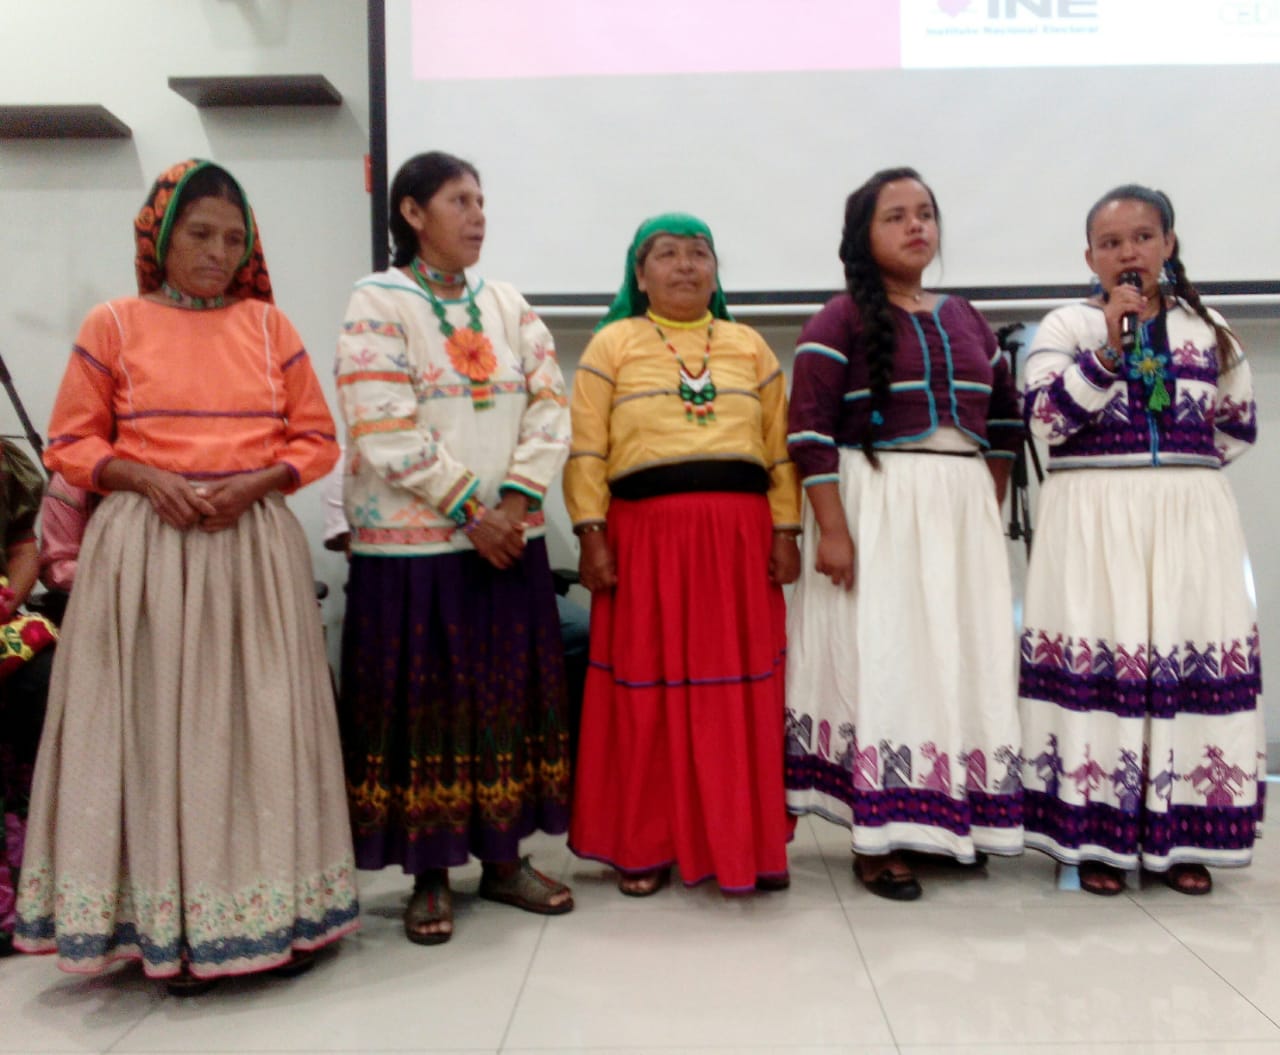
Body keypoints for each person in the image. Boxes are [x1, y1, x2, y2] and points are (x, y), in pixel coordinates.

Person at [14, 159, 357, 992]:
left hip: (250, 548)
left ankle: (271, 914)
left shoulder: (269, 328)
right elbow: (70, 442)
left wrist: (256, 483)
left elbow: (316, 439)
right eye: (200, 234)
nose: (218, 253)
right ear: (160, 237)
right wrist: (142, 476)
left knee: (258, 728)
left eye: (235, 239)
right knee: (157, 730)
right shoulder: (113, 324)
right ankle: (164, 927)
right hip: (147, 550)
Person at [336, 151, 573, 946]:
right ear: (412, 212)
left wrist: (515, 504)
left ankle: (504, 860)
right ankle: (429, 875)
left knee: (506, 702)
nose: (477, 215)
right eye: (459, 200)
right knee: (425, 711)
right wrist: (473, 509)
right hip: (413, 556)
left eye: (481, 200)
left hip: (507, 542)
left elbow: (551, 405)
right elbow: (381, 424)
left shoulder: (507, 304)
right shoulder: (377, 300)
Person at [783, 168, 1025, 901]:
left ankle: (942, 821)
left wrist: (984, 503)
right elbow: (808, 434)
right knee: (886, 660)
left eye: (925, 213)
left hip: (959, 510)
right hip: (878, 505)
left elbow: (1004, 420)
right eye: (896, 216)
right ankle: (878, 835)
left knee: (955, 656)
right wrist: (832, 531)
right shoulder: (837, 319)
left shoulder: (968, 317)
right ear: (863, 237)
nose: (917, 226)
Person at [1020, 185, 1262, 897]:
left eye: (1143, 237)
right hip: (1092, 520)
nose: (1129, 252)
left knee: (1187, 658)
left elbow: (1236, 425)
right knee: (1105, 658)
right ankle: (1096, 839)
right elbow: (1045, 419)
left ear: (1168, 245)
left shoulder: (1209, 329)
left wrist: (1178, 486)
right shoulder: (1066, 326)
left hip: (1189, 519)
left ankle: (1183, 836)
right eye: (1111, 242)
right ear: (1090, 258)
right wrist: (1108, 352)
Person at [565, 213, 801, 896]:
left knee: (741, 694)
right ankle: (644, 844)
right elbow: (587, 450)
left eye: (699, 253)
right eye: (666, 254)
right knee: (648, 691)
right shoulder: (611, 344)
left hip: (738, 541)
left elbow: (779, 450)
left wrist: (786, 531)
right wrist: (590, 534)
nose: (686, 265)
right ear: (639, 276)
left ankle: (745, 843)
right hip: (645, 541)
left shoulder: (749, 346)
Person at [0, 440, 53, 957]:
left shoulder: (3, 462)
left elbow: (21, 549)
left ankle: (43, 883)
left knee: (48, 680)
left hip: (1, 622)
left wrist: (7, 601)